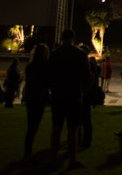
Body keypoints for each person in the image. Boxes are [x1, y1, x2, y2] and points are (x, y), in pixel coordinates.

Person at [47, 29, 90, 169]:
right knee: (73, 129)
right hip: (74, 95)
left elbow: (49, 74)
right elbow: (86, 75)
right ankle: (72, 160)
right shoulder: (80, 54)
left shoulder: (55, 54)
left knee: (56, 128)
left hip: (58, 94)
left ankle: (53, 158)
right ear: (73, 38)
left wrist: (52, 88)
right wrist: (83, 90)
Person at [24, 43, 50, 158]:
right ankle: (28, 151)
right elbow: (47, 82)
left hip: (31, 97)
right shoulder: (44, 67)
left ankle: (27, 150)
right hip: (39, 97)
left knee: (31, 125)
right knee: (34, 125)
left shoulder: (30, 67)